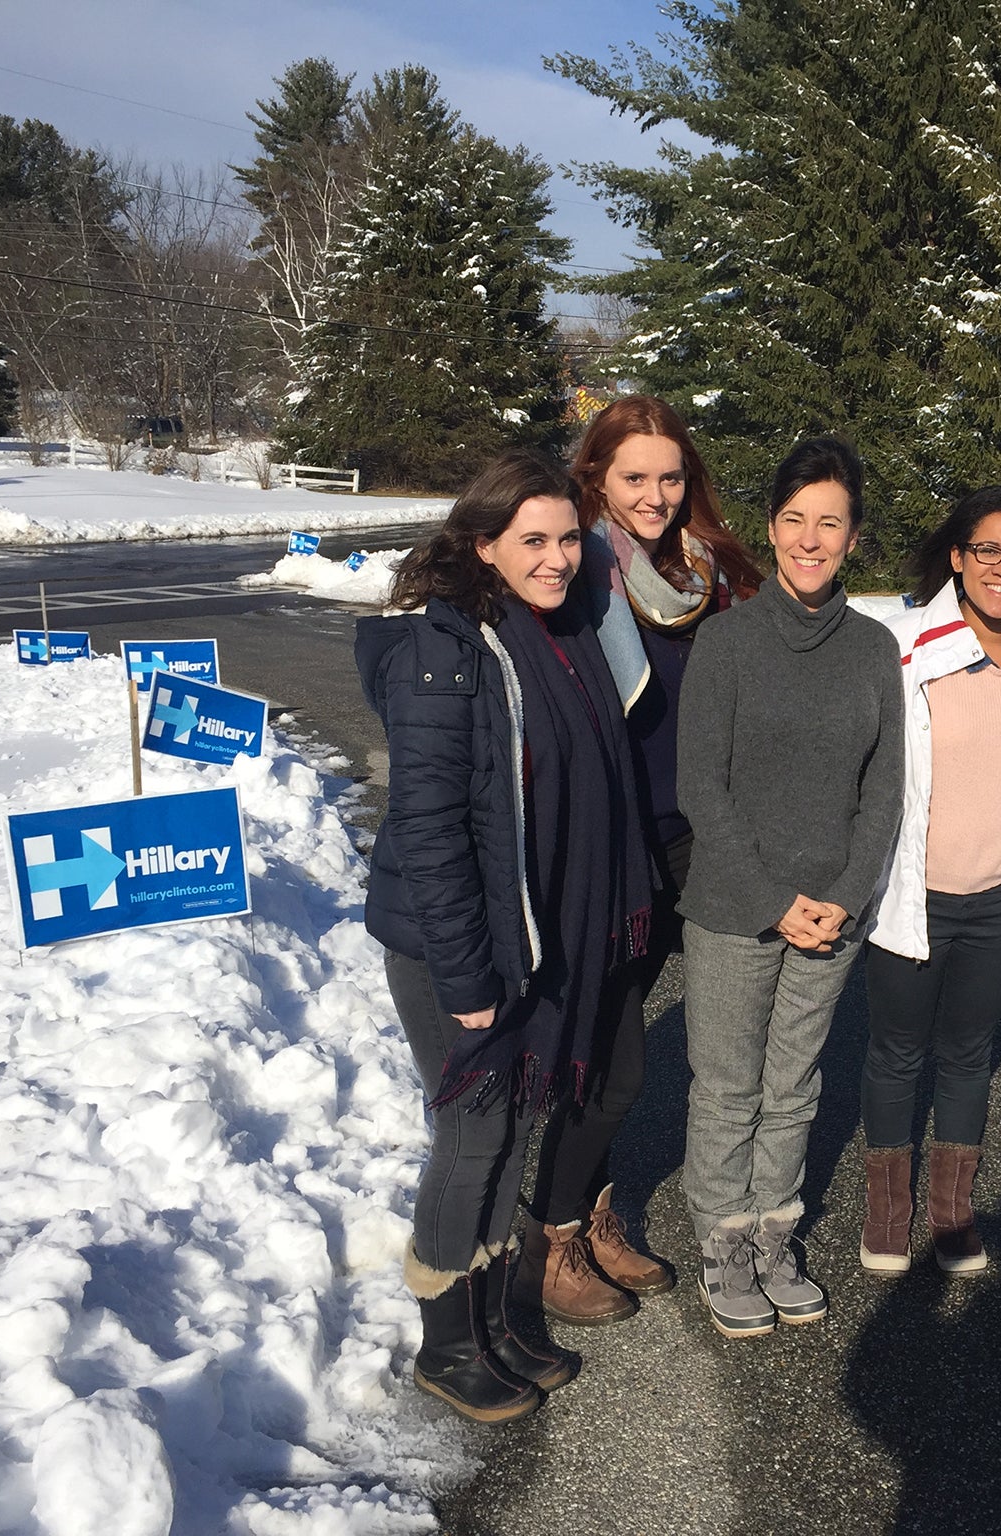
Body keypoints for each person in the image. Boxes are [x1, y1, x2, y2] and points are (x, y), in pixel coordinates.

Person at [356, 448, 653, 1421]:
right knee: (473, 1136)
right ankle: (446, 1344)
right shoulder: (443, 651)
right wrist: (466, 974)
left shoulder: (551, 635)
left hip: (523, 937)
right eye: (533, 539)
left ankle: (489, 1318)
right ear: (481, 545)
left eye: (569, 538)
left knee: (512, 1131)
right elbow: (430, 830)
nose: (558, 557)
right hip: (458, 947)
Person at [508, 396, 765, 1327]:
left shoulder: (710, 570)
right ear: (594, 480)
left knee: (623, 1032)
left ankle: (594, 1209)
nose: (655, 495)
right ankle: (553, 1235)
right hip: (608, 843)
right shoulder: (575, 574)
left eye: (670, 476)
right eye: (633, 478)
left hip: (691, 832)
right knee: (607, 1050)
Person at [676, 435, 906, 1337]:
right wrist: (777, 901)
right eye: (795, 520)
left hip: (833, 913)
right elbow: (702, 787)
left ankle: (776, 1232)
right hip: (739, 909)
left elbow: (884, 786)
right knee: (729, 1084)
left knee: (795, 1083)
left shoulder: (872, 648)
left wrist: (844, 896)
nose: (812, 540)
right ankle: (723, 1238)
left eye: (832, 524)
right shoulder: (726, 643)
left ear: (854, 539)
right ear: (771, 529)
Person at [858, 486, 1001, 1276]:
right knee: (895, 1053)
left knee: (967, 1053)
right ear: (957, 555)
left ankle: (952, 1211)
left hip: (1000, 901)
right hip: (911, 896)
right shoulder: (902, 646)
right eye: (988, 549)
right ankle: (887, 1208)